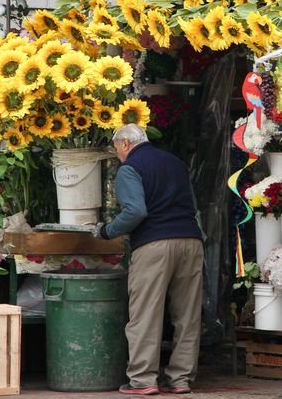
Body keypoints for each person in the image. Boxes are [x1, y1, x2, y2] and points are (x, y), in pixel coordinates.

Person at [94, 123, 204, 395]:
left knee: (145, 314)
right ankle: (181, 379)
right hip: (191, 241)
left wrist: (107, 230)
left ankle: (143, 380)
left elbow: (135, 212)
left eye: (117, 148)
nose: (118, 154)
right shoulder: (176, 163)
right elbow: (193, 205)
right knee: (187, 315)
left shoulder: (130, 167)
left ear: (125, 145)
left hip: (154, 244)